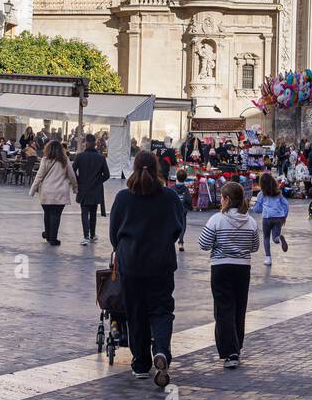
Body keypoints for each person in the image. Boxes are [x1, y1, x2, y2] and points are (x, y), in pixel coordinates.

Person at [109, 151, 186, 387]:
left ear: (134, 167)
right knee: (161, 310)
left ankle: (141, 363)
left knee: (136, 312)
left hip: (131, 264)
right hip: (160, 264)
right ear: (157, 168)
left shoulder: (123, 198)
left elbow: (114, 234)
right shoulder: (170, 197)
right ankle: (161, 351)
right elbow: (178, 228)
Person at [197, 180, 259, 369]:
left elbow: (203, 243)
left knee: (224, 309)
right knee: (239, 308)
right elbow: (254, 247)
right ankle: (237, 346)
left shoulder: (217, 219)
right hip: (242, 268)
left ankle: (229, 351)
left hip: (221, 267)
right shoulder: (250, 221)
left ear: (226, 199)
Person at [30, 140, 78, 247]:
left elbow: (39, 176)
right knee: (56, 215)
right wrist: (75, 188)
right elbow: (72, 175)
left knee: (47, 214)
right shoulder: (65, 160)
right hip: (60, 192)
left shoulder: (45, 160)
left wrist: (32, 190)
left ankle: (48, 235)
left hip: (46, 192)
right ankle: (53, 239)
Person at [73, 134, 110, 246]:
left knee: (84, 212)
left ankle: (86, 236)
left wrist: (78, 180)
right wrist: (98, 181)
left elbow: (72, 170)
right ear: (95, 144)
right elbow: (107, 175)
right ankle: (92, 235)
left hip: (83, 188)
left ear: (85, 143)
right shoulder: (101, 157)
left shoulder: (80, 156)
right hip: (95, 189)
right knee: (93, 212)